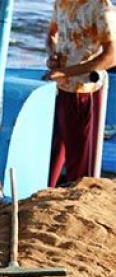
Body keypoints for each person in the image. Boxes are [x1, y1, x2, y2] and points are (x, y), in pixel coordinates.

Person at [44, 0, 116, 187]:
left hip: (84, 91)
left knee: (79, 159)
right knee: (51, 155)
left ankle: (73, 198)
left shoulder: (99, 5)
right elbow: (52, 33)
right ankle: (45, 193)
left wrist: (67, 72)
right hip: (59, 88)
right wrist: (52, 53)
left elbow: (111, 57)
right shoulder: (62, 2)